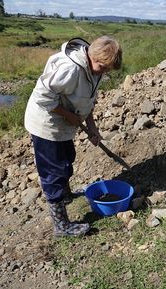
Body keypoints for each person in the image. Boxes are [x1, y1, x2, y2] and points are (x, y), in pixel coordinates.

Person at [24, 36, 122, 237]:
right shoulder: (71, 69)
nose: (103, 72)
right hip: (46, 124)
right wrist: (68, 115)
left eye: (107, 69)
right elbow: (41, 96)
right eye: (102, 67)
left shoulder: (94, 67)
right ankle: (61, 225)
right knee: (54, 171)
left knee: (67, 158)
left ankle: (66, 195)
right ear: (91, 56)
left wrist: (92, 128)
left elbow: (88, 100)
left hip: (63, 124)